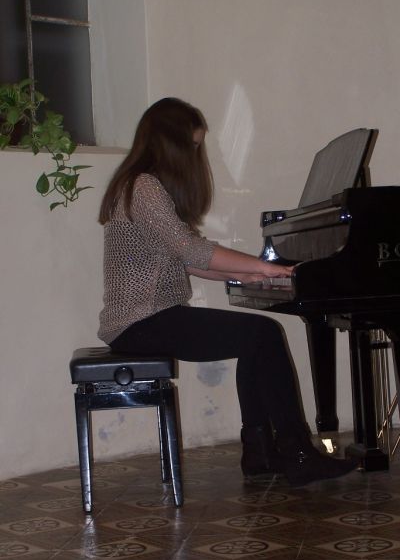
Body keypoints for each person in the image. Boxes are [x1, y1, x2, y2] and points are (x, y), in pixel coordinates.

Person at [97, 97, 356, 487]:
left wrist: (247, 275)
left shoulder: (137, 185)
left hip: (144, 321)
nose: (196, 155)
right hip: (142, 322)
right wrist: (264, 267)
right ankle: (296, 453)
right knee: (262, 334)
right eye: (193, 145)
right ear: (172, 144)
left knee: (256, 339)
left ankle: (261, 452)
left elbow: (187, 262)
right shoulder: (144, 187)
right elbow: (192, 251)